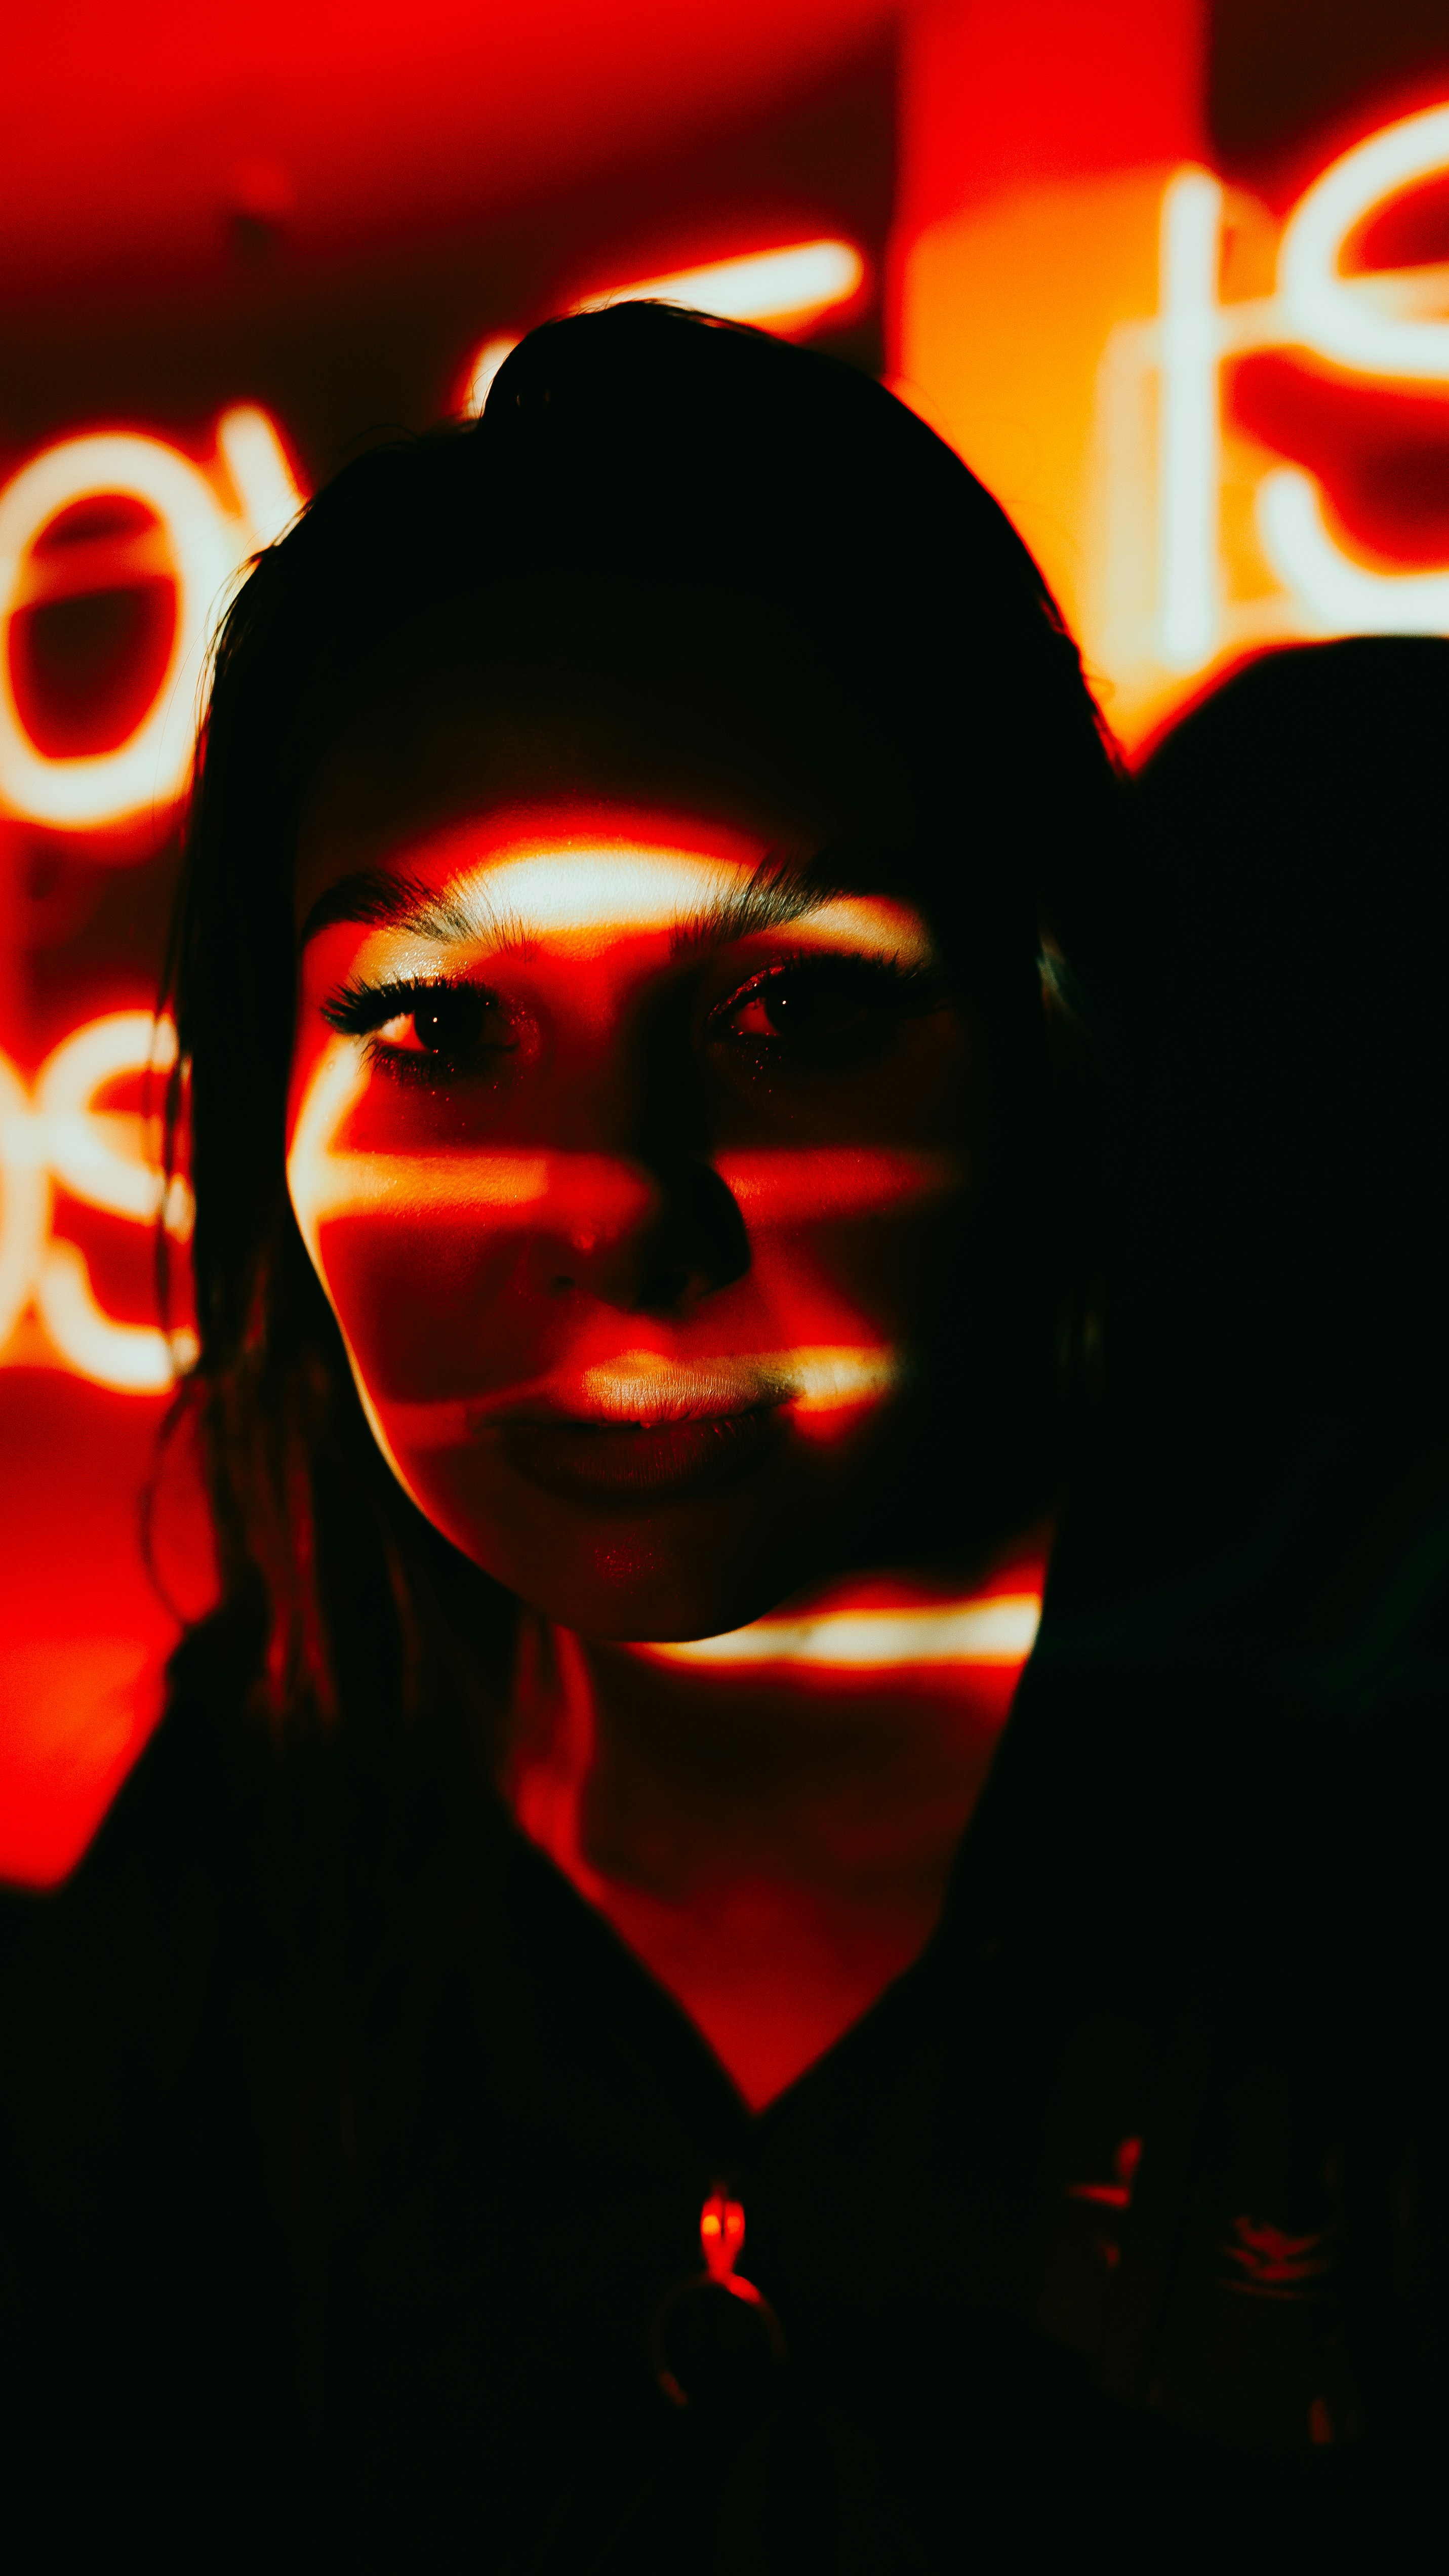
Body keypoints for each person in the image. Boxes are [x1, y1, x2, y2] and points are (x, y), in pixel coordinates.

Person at [0, 313, 1376, 2563]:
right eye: (437, 1023)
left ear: (1046, 1055)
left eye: (793, 1010)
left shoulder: (1334, 1879)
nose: (625, 1209)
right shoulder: (260, 1862)